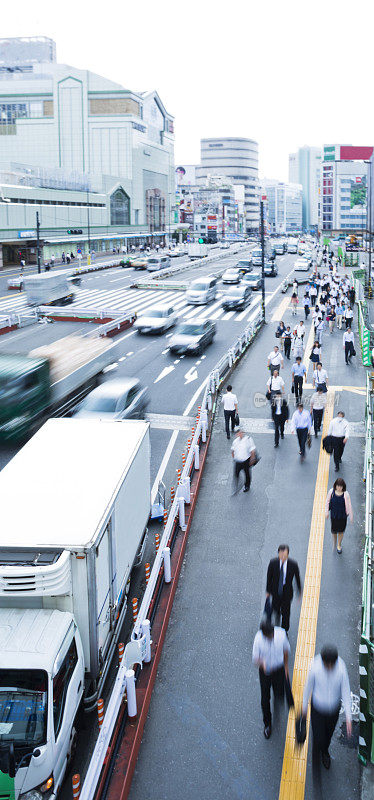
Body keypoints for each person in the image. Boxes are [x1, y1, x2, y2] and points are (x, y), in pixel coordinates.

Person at [302, 645, 351, 769]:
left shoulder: (341, 667)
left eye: (331, 665)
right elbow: (308, 686)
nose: (329, 668)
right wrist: (304, 708)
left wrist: (349, 717)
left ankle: (325, 751)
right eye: (326, 665)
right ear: (323, 661)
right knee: (319, 736)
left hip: (334, 709)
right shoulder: (315, 666)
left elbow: (345, 691)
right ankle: (319, 750)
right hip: (317, 708)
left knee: (328, 734)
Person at [252, 619, 290, 739]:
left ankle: (278, 700)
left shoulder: (281, 634)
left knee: (279, 693)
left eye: (272, 635)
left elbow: (286, 651)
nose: (271, 637)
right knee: (265, 698)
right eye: (268, 636)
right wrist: (262, 663)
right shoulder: (258, 639)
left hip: (279, 669)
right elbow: (255, 658)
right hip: (265, 672)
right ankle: (267, 724)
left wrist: (286, 668)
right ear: (263, 634)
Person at [265, 544, 302, 631]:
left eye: (284, 555)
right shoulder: (273, 563)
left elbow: (297, 578)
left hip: (287, 592)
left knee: (286, 613)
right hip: (275, 591)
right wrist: (268, 591)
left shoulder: (293, 564)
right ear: (278, 553)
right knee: (275, 608)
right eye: (281, 554)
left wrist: (299, 591)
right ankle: (277, 615)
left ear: (288, 554)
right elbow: (269, 577)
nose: (282, 557)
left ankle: (285, 630)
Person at [325, 477, 353, 553]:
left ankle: (339, 545)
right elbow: (327, 502)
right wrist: (326, 512)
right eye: (338, 486)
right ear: (335, 485)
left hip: (343, 516)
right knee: (334, 531)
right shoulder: (331, 492)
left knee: (341, 531)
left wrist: (351, 515)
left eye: (341, 486)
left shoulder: (346, 494)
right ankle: (334, 541)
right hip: (334, 515)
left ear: (343, 486)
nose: (339, 488)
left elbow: (349, 504)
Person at [231, 429, 256, 494]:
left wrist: (252, 459)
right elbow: (233, 451)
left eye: (241, 433)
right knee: (236, 474)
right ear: (237, 434)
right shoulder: (235, 441)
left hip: (246, 461)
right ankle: (236, 486)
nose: (240, 434)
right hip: (238, 461)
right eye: (239, 433)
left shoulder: (248, 439)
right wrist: (234, 458)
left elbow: (252, 450)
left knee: (247, 474)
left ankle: (247, 486)